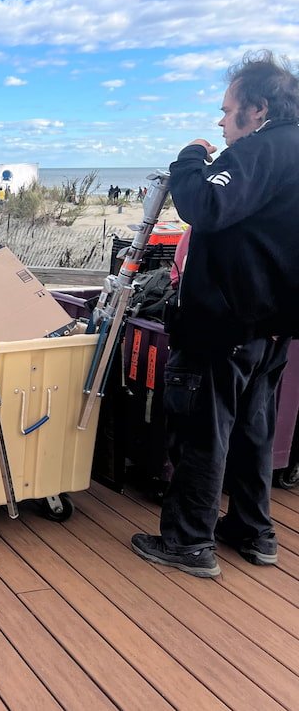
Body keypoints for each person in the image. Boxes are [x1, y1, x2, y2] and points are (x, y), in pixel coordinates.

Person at [131, 51, 299, 578]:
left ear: (257, 110)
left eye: (226, 112)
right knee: (253, 430)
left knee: (204, 428)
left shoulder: (256, 152)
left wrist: (190, 159)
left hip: (225, 322)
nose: (221, 122)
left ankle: (188, 541)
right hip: (273, 327)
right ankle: (253, 530)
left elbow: (204, 204)